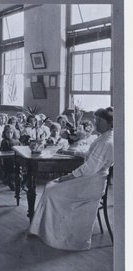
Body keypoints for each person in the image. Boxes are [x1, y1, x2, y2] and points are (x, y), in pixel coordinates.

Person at [28, 107, 114, 251]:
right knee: (51, 187)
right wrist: (70, 151)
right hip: (91, 179)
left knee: (51, 190)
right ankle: (44, 230)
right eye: (96, 119)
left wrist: (67, 177)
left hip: (91, 183)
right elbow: (89, 155)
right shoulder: (105, 137)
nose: (96, 122)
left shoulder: (107, 142)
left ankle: (56, 235)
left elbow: (89, 169)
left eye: (99, 120)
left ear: (109, 123)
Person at [0, 124, 21, 190]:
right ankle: (10, 182)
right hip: (8, 159)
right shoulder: (4, 141)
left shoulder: (17, 141)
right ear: (4, 133)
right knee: (10, 170)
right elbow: (3, 151)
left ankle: (18, 182)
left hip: (16, 158)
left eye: (11, 132)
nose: (9, 134)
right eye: (7, 132)